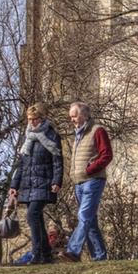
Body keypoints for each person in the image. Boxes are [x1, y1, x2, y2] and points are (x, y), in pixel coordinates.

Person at [7, 103, 62, 266]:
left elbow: (57, 161)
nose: (31, 122)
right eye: (29, 119)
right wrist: (14, 185)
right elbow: (21, 164)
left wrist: (56, 181)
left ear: (42, 118)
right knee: (36, 217)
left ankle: (37, 254)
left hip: (45, 182)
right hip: (29, 184)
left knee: (32, 216)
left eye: (34, 119)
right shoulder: (26, 137)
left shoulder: (52, 136)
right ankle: (46, 254)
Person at [61, 100, 112, 262]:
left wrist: (89, 170)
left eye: (74, 116)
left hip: (93, 180)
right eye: (70, 117)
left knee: (83, 216)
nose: (72, 120)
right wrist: (73, 175)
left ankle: (73, 251)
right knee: (90, 220)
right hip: (79, 183)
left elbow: (107, 155)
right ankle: (99, 256)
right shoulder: (78, 134)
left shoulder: (97, 131)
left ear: (85, 115)